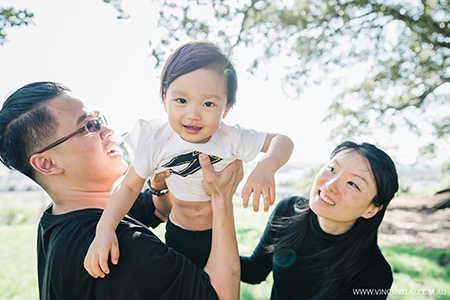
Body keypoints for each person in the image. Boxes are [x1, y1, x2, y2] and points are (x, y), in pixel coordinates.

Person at [0, 81, 243, 300]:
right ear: (48, 163)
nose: (108, 131)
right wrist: (221, 198)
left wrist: (159, 188)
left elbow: (154, 211)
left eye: (99, 119)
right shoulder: (117, 251)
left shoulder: (60, 217)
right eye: (89, 126)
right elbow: (220, 296)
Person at [85, 40, 294, 272]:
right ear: (165, 100)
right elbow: (128, 187)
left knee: (217, 290)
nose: (193, 114)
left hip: (216, 233)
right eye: (182, 101)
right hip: (178, 231)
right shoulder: (156, 142)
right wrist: (105, 229)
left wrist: (266, 166)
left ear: (225, 108)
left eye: (208, 104)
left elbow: (282, 141)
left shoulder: (231, 137)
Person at [240, 141, 399, 300]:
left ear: (371, 209)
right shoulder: (288, 210)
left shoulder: (375, 275)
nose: (331, 185)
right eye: (332, 169)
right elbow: (255, 271)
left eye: (352, 184)